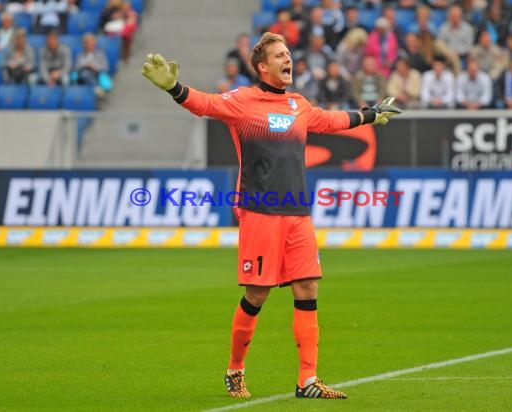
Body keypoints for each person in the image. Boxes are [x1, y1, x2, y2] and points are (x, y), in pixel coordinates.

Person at [141, 32, 401, 400]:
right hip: (260, 211)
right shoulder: (243, 101)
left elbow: (330, 120)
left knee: (308, 287)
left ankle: (307, 381)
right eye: (280, 54)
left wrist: (369, 115)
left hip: (297, 211)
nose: (287, 58)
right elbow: (205, 104)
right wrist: (175, 88)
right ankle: (235, 370)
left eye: (288, 53)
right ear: (263, 66)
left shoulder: (298, 104)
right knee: (257, 294)